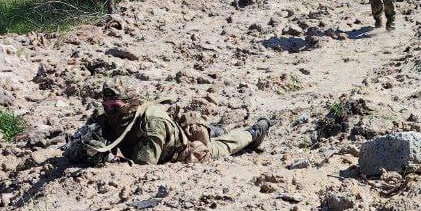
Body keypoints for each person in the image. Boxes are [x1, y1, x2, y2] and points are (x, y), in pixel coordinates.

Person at [69, 77, 270, 166]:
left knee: (219, 148)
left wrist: (110, 160)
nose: (110, 111)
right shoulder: (104, 113)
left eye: (116, 106)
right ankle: (214, 129)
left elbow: (143, 165)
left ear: (130, 104)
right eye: (107, 106)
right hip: (168, 131)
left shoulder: (151, 125)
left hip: (179, 151)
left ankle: (253, 133)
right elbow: (75, 143)